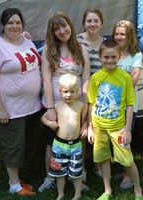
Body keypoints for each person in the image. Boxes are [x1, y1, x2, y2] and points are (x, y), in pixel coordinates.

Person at [0, 7, 41, 196]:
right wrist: (0, 109)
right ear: (2, 25)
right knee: (12, 146)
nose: (14, 26)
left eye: (18, 23)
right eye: (10, 23)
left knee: (24, 145)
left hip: (31, 106)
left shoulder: (26, 40)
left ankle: (17, 179)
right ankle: (14, 185)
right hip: (10, 108)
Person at [38, 11, 90, 192]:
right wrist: (51, 108)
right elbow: (46, 79)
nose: (62, 31)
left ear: (70, 26)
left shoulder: (81, 49)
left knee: (78, 140)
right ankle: (50, 177)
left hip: (77, 105)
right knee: (52, 143)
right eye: (57, 28)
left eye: (64, 26)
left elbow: (85, 78)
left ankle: (78, 174)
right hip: (54, 103)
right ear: (52, 32)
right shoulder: (48, 49)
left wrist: (85, 106)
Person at [87, 39, 143, 200]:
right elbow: (91, 103)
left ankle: (138, 191)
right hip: (99, 128)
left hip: (118, 128)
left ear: (119, 57)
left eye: (113, 57)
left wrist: (126, 130)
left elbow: (130, 105)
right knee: (103, 158)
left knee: (127, 160)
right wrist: (90, 127)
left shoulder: (125, 78)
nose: (110, 61)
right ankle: (107, 190)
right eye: (106, 57)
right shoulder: (96, 77)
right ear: (100, 57)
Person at [41, 73, 84, 200]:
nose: (69, 95)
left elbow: (87, 119)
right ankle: (61, 193)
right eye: (65, 92)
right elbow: (43, 117)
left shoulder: (80, 106)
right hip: (59, 144)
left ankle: (77, 194)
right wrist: (49, 123)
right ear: (60, 91)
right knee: (59, 172)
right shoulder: (57, 106)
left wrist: (85, 127)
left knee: (76, 172)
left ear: (77, 91)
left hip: (75, 145)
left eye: (72, 91)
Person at [112, 20, 143, 190]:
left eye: (122, 34)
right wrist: (125, 78)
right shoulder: (112, 52)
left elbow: (134, 81)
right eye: (116, 33)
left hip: (128, 107)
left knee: (126, 140)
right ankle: (124, 168)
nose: (118, 37)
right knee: (117, 140)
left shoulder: (136, 55)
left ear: (130, 35)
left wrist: (116, 81)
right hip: (112, 106)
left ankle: (127, 174)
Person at [77, 8, 105, 180]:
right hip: (81, 91)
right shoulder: (77, 41)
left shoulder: (106, 42)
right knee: (81, 130)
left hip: (102, 95)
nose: (92, 24)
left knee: (98, 128)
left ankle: (98, 165)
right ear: (84, 23)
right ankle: (81, 167)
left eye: (96, 21)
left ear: (101, 23)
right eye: (89, 21)